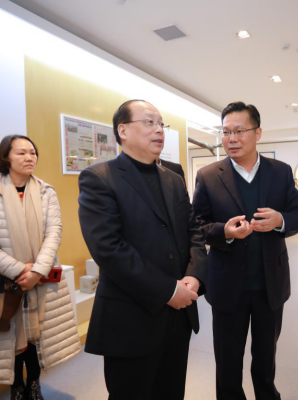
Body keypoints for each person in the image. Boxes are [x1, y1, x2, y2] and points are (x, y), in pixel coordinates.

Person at [78, 99, 207, 400]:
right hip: (130, 318)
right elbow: (108, 249)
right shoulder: (99, 178)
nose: (159, 130)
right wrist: (168, 290)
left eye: (161, 124)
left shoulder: (173, 179)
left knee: (171, 392)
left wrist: (195, 276)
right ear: (122, 130)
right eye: (149, 122)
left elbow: (194, 231)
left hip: (179, 316)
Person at [192, 102, 298, 399]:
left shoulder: (280, 172)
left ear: (257, 133)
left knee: (265, 360)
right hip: (227, 285)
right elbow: (196, 226)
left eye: (239, 131)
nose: (231, 138)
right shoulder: (208, 175)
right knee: (227, 363)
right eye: (225, 132)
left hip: (270, 285)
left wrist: (280, 220)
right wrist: (224, 232)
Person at [0, 135, 81, 400]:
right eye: (21, 153)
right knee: (11, 338)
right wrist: (20, 271)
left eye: (32, 152)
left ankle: (34, 385)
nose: (29, 157)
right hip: (5, 280)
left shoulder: (46, 191)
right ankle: (16, 388)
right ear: (5, 157)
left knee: (36, 337)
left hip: (41, 278)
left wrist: (37, 272)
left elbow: (54, 233)